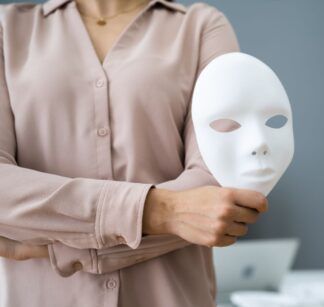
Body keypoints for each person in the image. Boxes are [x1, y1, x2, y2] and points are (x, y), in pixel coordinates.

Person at [0, 0, 268, 306]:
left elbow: (215, 185)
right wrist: (162, 211)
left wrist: (54, 245)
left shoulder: (201, 28)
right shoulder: (7, 29)